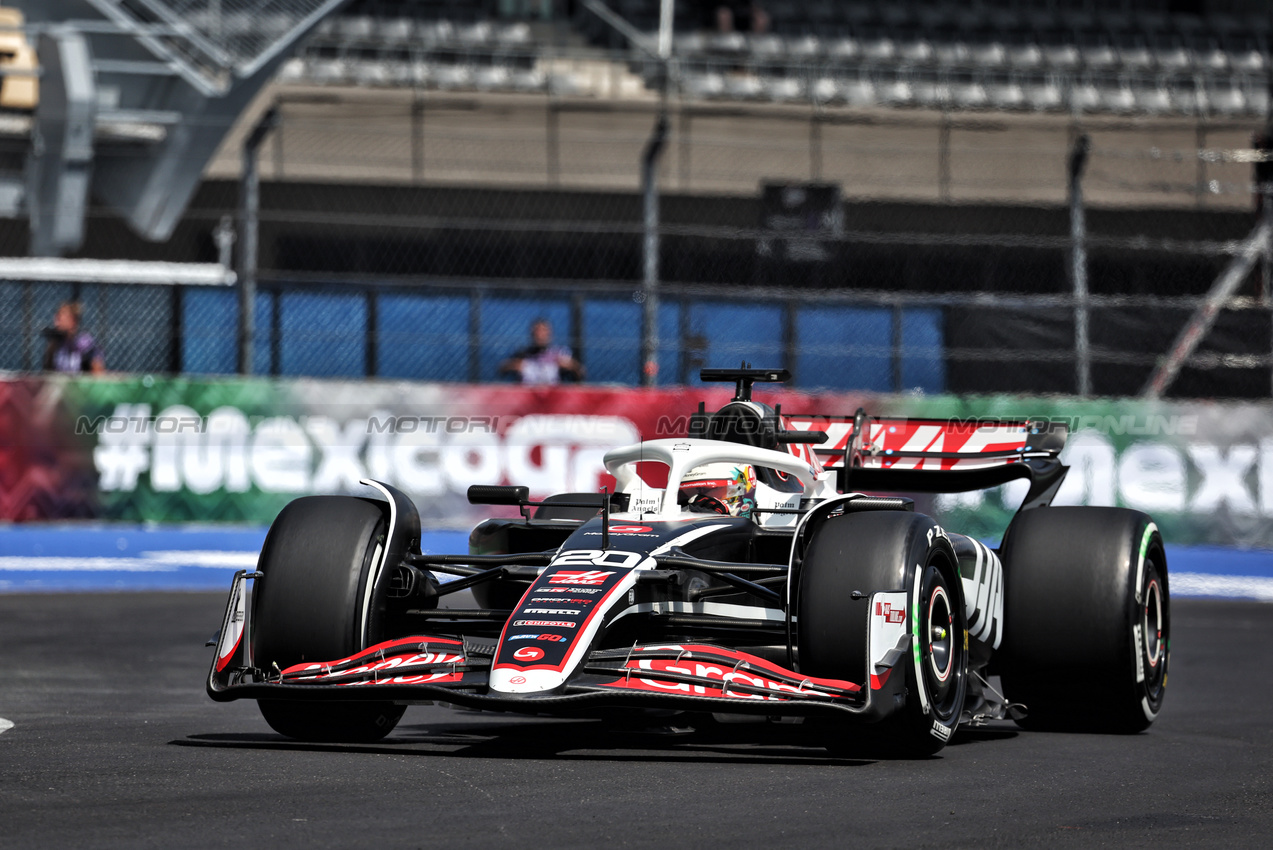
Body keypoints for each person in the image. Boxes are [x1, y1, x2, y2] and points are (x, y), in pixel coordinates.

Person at [499, 318, 583, 384]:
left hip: (552, 397)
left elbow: (580, 372)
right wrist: (513, 365)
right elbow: (502, 368)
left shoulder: (560, 353)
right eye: (537, 331)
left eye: (543, 331)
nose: (540, 335)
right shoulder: (522, 354)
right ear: (532, 334)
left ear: (550, 334)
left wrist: (572, 366)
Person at [42, 300, 105, 374]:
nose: (56, 322)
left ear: (73, 320)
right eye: (56, 317)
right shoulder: (55, 343)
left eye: (60, 317)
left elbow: (98, 371)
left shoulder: (85, 342)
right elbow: (48, 373)